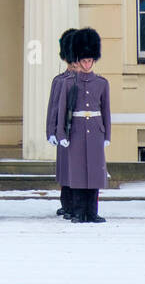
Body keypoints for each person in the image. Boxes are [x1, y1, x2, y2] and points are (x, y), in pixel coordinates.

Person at [56, 28, 111, 224]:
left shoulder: (102, 83)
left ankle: (92, 211)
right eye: (84, 60)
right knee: (78, 173)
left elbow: (106, 111)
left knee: (95, 173)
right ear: (78, 61)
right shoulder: (68, 83)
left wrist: (107, 135)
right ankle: (79, 211)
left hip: (95, 130)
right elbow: (62, 110)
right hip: (77, 130)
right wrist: (61, 134)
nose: (87, 64)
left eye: (90, 60)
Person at [47, 28, 79, 218]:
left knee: (79, 169)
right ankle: (67, 202)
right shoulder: (60, 81)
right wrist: (51, 131)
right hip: (64, 130)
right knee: (66, 168)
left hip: (82, 130)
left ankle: (77, 203)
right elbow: (53, 109)